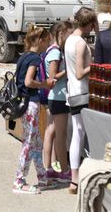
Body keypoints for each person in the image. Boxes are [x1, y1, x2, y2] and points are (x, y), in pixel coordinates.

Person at [12, 26, 56, 194]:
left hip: (24, 104)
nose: (48, 44)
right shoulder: (35, 59)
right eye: (47, 41)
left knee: (36, 141)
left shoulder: (24, 57)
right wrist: (45, 84)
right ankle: (19, 181)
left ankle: (42, 177)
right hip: (30, 104)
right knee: (29, 142)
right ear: (39, 40)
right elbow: (29, 82)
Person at [64, 7, 99, 194]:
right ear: (90, 24)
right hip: (82, 93)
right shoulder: (80, 44)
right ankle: (77, 178)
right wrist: (94, 65)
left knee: (78, 133)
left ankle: (74, 178)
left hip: (72, 93)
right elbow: (79, 73)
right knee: (81, 134)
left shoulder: (70, 39)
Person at [42, 21, 74, 184]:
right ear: (61, 33)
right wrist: (69, 71)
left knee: (52, 132)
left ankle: (48, 169)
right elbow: (52, 77)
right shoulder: (55, 53)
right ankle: (64, 170)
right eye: (68, 34)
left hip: (54, 97)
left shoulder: (51, 50)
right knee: (61, 135)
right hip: (59, 97)